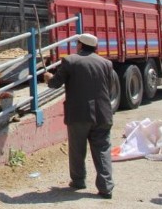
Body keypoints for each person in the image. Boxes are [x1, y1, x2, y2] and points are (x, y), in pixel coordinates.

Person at [43, 33, 114, 199]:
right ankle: (106, 187)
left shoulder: (70, 61)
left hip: (79, 114)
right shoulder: (106, 63)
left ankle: (78, 181)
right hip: (103, 114)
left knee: (77, 149)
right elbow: (109, 88)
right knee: (102, 149)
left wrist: (48, 77)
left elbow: (55, 83)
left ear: (80, 45)